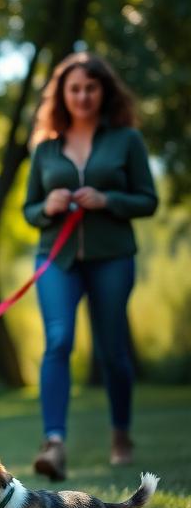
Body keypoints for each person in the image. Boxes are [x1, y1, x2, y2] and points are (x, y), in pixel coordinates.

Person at [23, 52, 158, 481]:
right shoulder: (45, 148)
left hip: (112, 257)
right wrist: (47, 205)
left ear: (104, 92)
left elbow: (148, 199)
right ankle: (55, 443)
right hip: (56, 257)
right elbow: (29, 210)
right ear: (62, 94)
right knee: (58, 340)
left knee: (113, 350)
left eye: (91, 88)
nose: (82, 96)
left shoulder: (126, 141)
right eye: (75, 88)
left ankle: (121, 433)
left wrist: (108, 201)